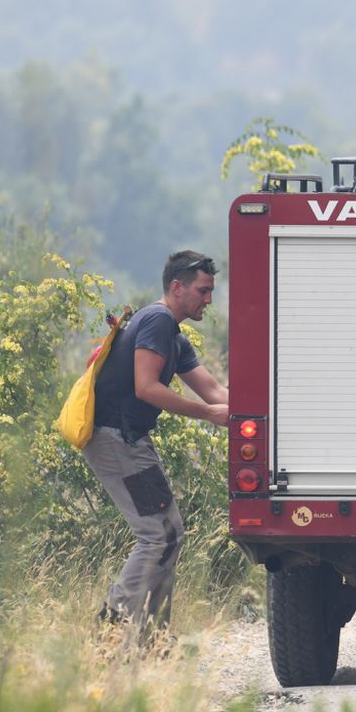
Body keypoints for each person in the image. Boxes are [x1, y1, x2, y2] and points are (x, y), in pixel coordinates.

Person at [86, 250, 229, 638]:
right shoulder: (157, 321)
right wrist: (208, 415)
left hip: (129, 441)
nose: (209, 299)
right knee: (157, 535)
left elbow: (215, 392)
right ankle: (112, 625)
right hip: (116, 440)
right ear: (177, 287)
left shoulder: (175, 337)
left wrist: (261, 415)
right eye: (202, 290)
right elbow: (146, 388)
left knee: (169, 535)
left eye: (211, 291)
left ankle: (153, 639)